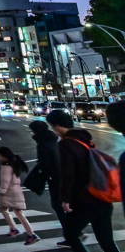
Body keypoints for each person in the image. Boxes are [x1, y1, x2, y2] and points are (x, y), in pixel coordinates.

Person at [46, 108, 119, 252]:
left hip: (84, 199)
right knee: (106, 239)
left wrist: (65, 198)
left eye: (52, 126)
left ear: (56, 125)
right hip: (101, 196)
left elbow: (68, 173)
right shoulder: (85, 140)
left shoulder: (65, 143)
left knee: (70, 234)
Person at [25, 120, 68, 244]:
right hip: (61, 176)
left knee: (57, 205)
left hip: (53, 178)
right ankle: (74, 232)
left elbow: (45, 164)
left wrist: (39, 171)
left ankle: (71, 234)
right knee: (62, 204)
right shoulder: (54, 141)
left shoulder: (42, 144)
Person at [0, 146, 39, 244]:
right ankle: (30, 234)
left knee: (3, 209)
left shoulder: (6, 167)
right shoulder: (14, 164)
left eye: (0, 155)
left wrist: (2, 191)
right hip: (17, 190)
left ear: (4, 156)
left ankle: (14, 229)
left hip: (9, 191)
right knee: (18, 212)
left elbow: (5, 181)